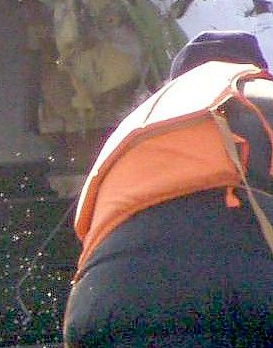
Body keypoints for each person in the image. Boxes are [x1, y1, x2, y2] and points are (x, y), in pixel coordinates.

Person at [63, 31, 273, 347]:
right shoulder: (261, 94)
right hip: (244, 289)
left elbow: (89, 227)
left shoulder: (137, 125)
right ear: (256, 67)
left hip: (104, 303)